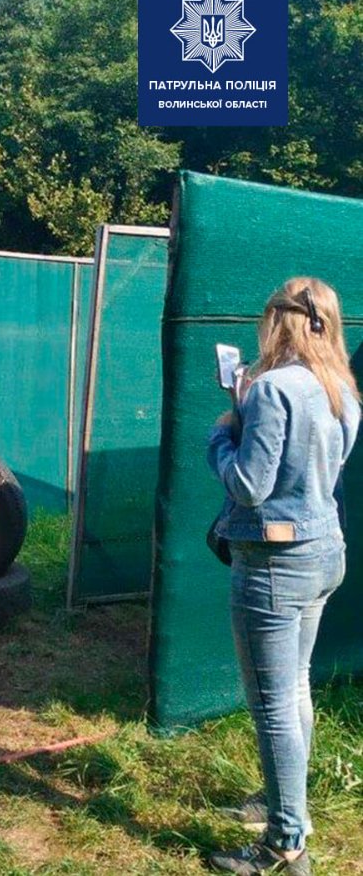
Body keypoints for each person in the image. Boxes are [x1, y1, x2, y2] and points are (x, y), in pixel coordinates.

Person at [206, 277, 360, 874]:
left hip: (275, 563)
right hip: (324, 553)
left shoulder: (272, 389)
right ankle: (281, 804)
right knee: (295, 688)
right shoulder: (342, 387)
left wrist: (223, 433)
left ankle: (286, 842)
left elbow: (250, 485)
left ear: (279, 320)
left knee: (273, 706)